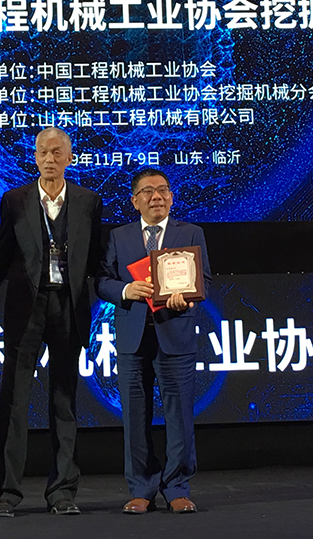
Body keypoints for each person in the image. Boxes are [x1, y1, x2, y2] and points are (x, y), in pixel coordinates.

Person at [0, 127, 103, 517]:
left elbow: (95, 258)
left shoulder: (88, 202)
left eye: (56, 152)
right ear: (34, 157)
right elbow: (0, 259)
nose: (49, 159)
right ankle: (6, 493)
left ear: (70, 158)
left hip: (68, 307)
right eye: (42, 152)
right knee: (14, 401)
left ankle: (63, 492)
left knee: (64, 400)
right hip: (26, 309)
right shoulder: (14, 200)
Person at [96, 168, 212, 515]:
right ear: (135, 201)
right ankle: (141, 488)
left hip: (175, 333)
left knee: (180, 417)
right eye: (147, 191)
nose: (156, 197)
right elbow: (102, 281)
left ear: (171, 198)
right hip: (132, 338)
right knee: (135, 416)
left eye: (163, 190)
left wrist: (187, 299)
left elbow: (203, 280)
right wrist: (126, 290)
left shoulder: (190, 233)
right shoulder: (119, 236)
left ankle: (177, 487)